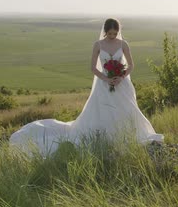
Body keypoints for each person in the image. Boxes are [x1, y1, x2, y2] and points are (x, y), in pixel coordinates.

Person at [9, 18, 164, 156]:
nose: (112, 36)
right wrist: (106, 79)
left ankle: (127, 134)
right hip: (104, 85)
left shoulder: (123, 44)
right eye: (110, 33)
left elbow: (131, 65)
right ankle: (104, 137)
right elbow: (93, 67)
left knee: (126, 109)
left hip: (121, 84)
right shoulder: (98, 45)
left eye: (115, 33)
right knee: (103, 110)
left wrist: (120, 77)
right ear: (105, 32)